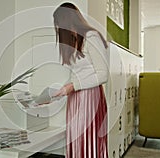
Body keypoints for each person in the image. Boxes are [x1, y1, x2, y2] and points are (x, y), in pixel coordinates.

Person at [53, 2, 109, 158]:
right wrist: (58, 93)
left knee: (88, 141)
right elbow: (76, 75)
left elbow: (103, 74)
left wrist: (73, 86)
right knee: (75, 141)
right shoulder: (71, 41)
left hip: (91, 97)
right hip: (75, 97)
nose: (58, 28)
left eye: (59, 23)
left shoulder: (91, 37)